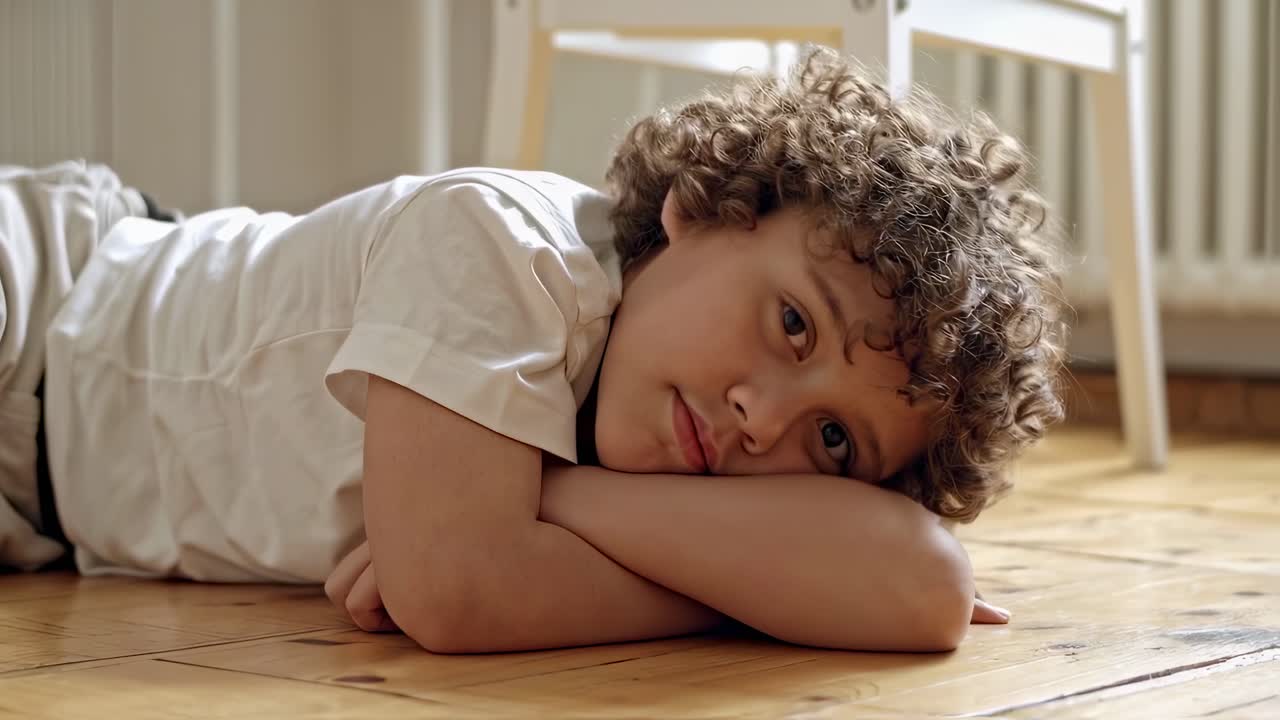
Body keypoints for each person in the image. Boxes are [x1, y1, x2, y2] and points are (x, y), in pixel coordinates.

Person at [0, 48, 1064, 653]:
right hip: (45, 302)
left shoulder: (668, 427)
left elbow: (920, 589)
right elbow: (459, 586)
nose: (762, 418)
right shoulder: (501, 245)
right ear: (702, 208)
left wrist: (532, 503)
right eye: (791, 322)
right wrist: (758, 581)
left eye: (834, 443)